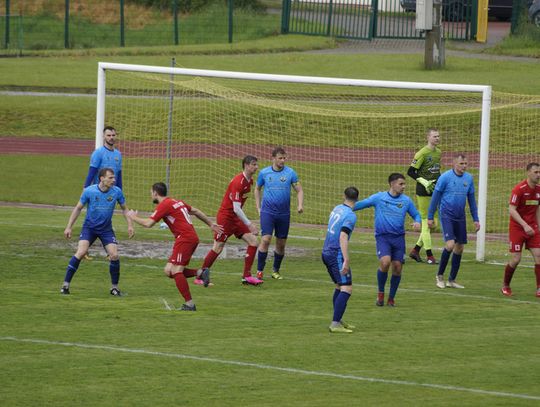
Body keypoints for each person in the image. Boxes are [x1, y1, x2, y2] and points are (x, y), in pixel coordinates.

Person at [127, 182, 223, 311]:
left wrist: (133, 217)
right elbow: (195, 211)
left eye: (151, 193)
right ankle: (200, 273)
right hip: (187, 238)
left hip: (185, 239)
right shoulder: (176, 201)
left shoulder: (164, 205)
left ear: (155, 193)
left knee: (177, 271)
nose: (151, 196)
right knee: (168, 271)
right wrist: (210, 223)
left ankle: (190, 304)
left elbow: (148, 223)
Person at [60, 168, 134, 296]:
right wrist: (69, 227)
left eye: (114, 177)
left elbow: (125, 209)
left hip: (106, 229)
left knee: (114, 255)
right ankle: (65, 285)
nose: (114, 180)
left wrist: (130, 225)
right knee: (81, 252)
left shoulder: (117, 192)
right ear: (102, 179)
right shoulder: (89, 191)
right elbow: (78, 208)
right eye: (110, 177)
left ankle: (114, 288)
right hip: (89, 228)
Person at [354, 173, 421, 307]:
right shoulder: (379, 197)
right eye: (401, 184)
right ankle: (380, 294)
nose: (404, 187)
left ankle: (391, 298)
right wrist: (346, 206)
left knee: (397, 267)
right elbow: (362, 204)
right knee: (385, 263)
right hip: (383, 237)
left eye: (404, 184)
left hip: (398, 238)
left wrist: (417, 222)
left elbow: (416, 214)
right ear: (392, 184)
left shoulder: (406, 201)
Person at [198, 155, 263, 286]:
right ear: (246, 165)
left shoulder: (249, 181)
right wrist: (249, 224)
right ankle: (200, 277)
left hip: (235, 218)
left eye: (256, 164)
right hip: (226, 217)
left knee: (254, 241)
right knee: (218, 247)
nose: (256, 167)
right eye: (254, 164)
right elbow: (236, 208)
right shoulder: (238, 182)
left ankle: (247, 276)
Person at [428, 154, 480, 289]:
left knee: (460, 247)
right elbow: (435, 197)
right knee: (450, 245)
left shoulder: (469, 178)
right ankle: (439, 276)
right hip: (446, 215)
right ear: (454, 164)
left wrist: (476, 219)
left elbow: (472, 201)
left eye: (465, 163)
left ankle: (452, 280)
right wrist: (430, 216)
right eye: (461, 163)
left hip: (460, 216)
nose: (464, 166)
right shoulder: (445, 177)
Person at [254, 147, 304, 280]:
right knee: (265, 239)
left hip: (284, 214)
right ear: (273, 158)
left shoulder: (290, 173)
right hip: (268, 212)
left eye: (284, 158)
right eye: (280, 158)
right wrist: (258, 208)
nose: (283, 160)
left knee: (281, 244)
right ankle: (259, 271)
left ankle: (275, 270)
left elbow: (299, 190)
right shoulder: (264, 173)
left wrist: (300, 205)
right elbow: (257, 189)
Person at [322, 186, 359, 333]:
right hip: (336, 253)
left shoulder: (337, 208)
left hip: (325, 251)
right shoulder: (350, 215)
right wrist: (346, 259)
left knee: (339, 285)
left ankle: (338, 318)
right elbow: (343, 236)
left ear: (344, 196)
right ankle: (335, 323)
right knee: (347, 288)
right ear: (357, 198)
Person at [501, 163, 540, 297]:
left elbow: (537, 210)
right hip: (518, 227)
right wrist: (524, 225)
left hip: (532, 227)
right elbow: (511, 209)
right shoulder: (519, 189)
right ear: (528, 173)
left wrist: (538, 227)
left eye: (539, 172)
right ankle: (505, 285)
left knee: (539, 255)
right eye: (535, 172)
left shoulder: (539, 190)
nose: (538, 175)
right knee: (516, 259)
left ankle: (539, 288)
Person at [407, 128, 442, 264]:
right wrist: (424, 181)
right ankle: (430, 256)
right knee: (427, 222)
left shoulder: (438, 153)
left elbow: (436, 171)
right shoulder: (421, 153)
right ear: (428, 137)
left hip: (434, 190)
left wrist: (440, 183)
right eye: (434, 136)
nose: (437, 139)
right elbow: (411, 171)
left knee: (434, 224)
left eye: (438, 136)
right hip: (422, 191)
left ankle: (415, 250)